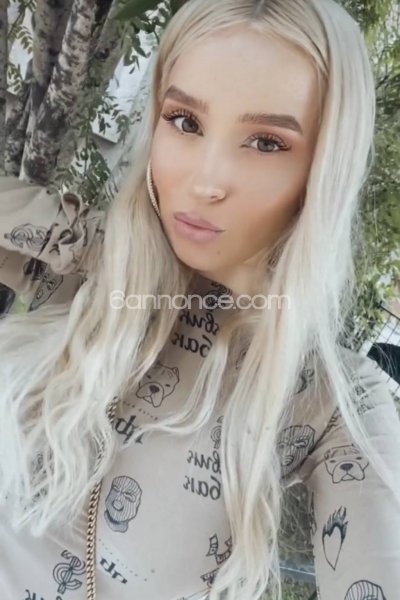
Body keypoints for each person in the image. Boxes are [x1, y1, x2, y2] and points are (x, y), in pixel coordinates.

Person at [0, 0, 399, 599]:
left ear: (323, 169)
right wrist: (96, 246)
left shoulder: (331, 402)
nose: (205, 182)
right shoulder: (84, 259)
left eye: (266, 142)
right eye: (185, 121)